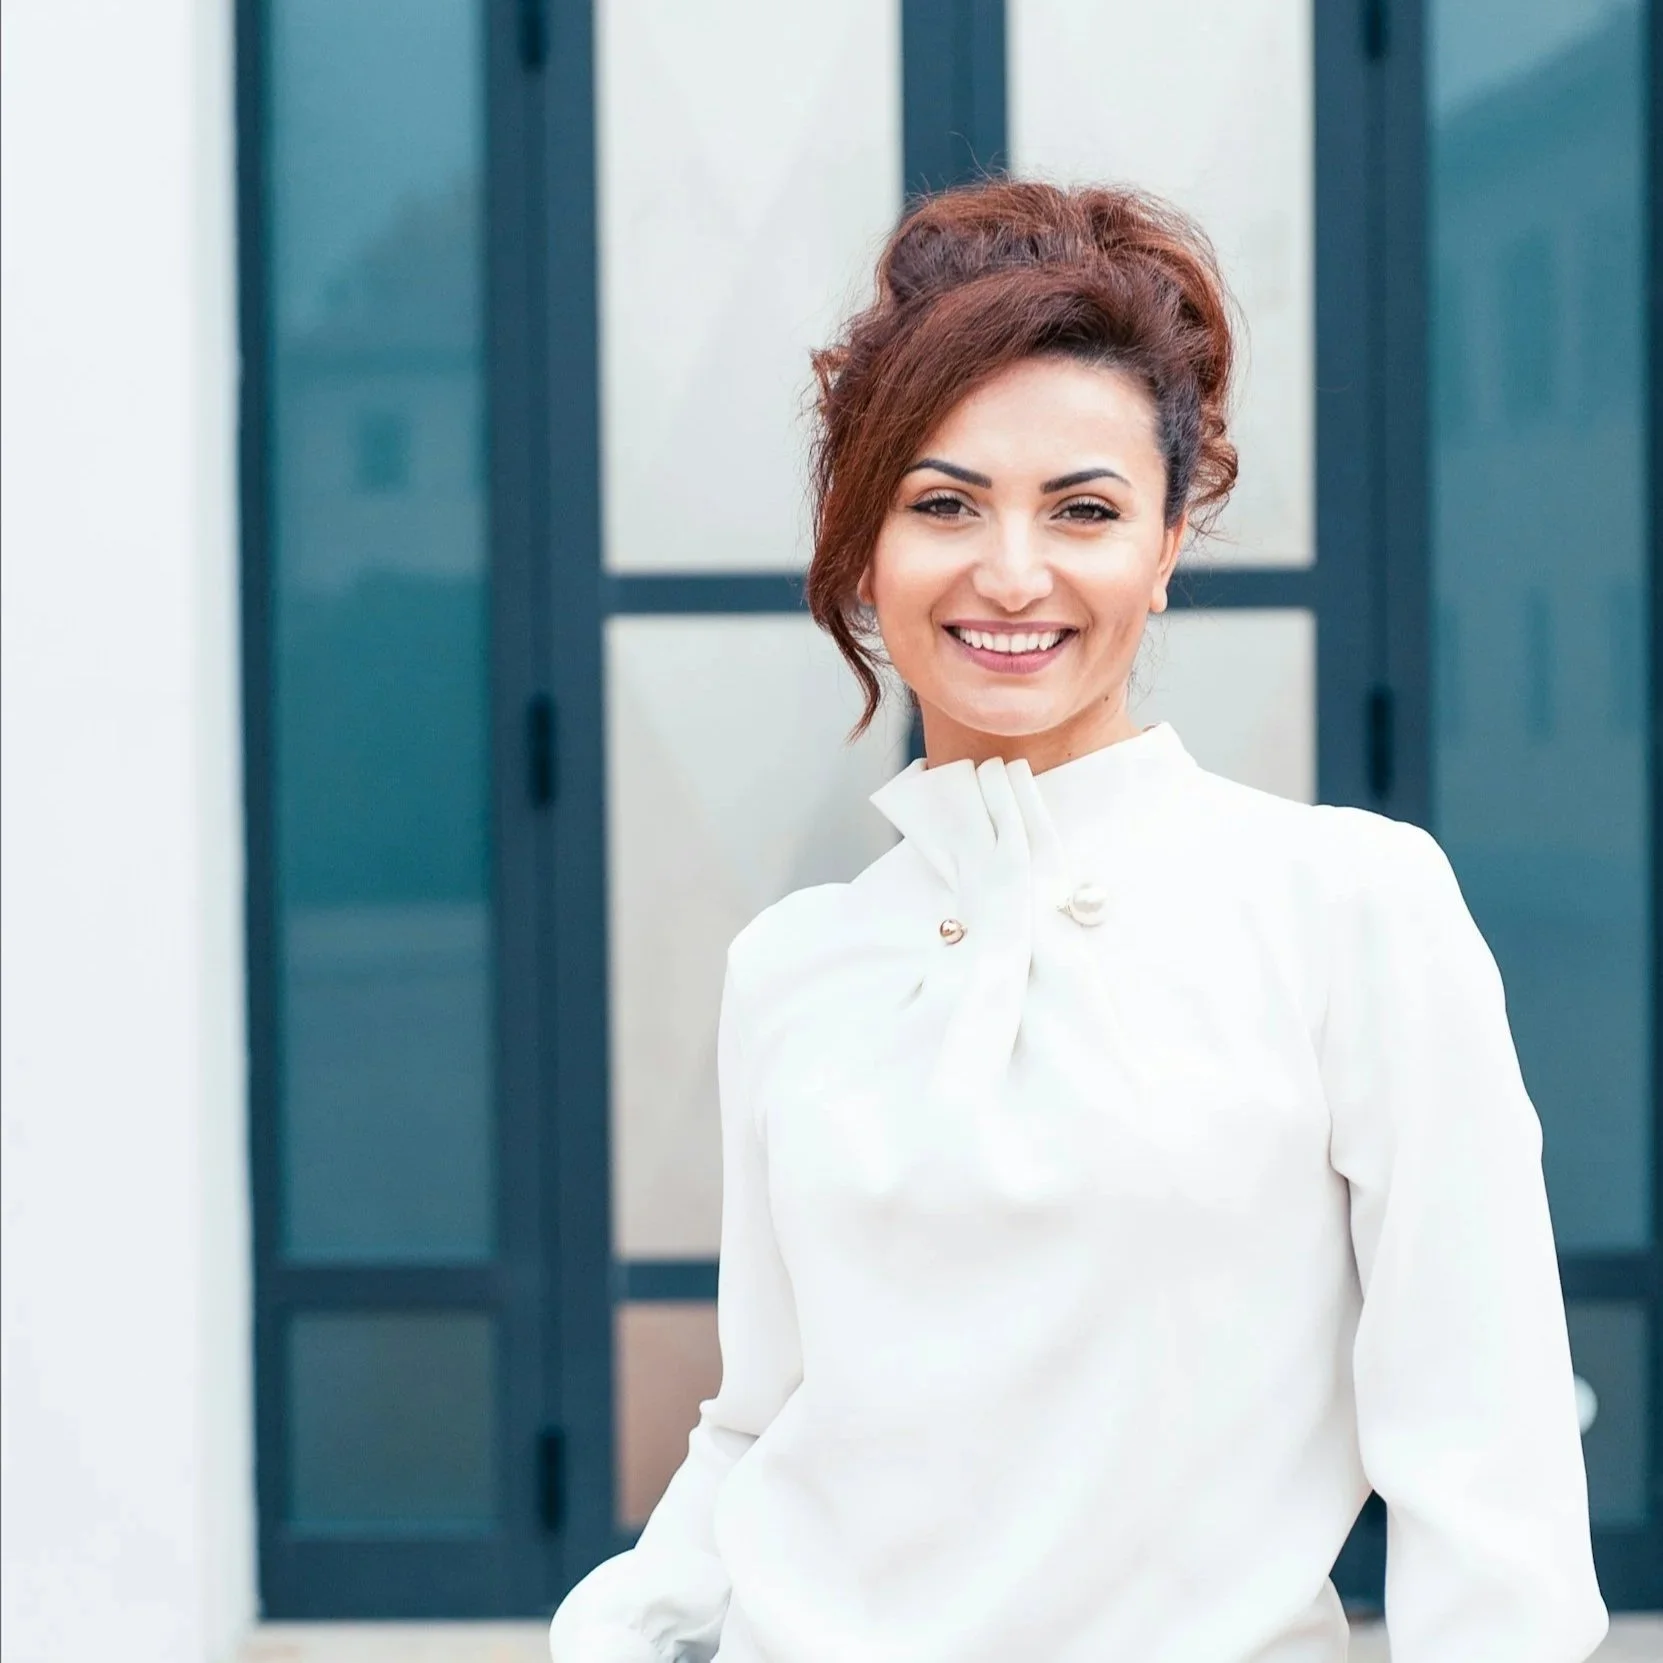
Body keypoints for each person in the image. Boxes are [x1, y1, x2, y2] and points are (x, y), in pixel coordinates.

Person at [549, 180, 1607, 1662]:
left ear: (1168, 545)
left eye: (1084, 510)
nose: (1010, 572)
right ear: (864, 548)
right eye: (942, 503)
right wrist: (626, 1626)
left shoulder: (1345, 907)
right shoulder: (792, 966)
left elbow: (1479, 1444)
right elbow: (765, 1416)